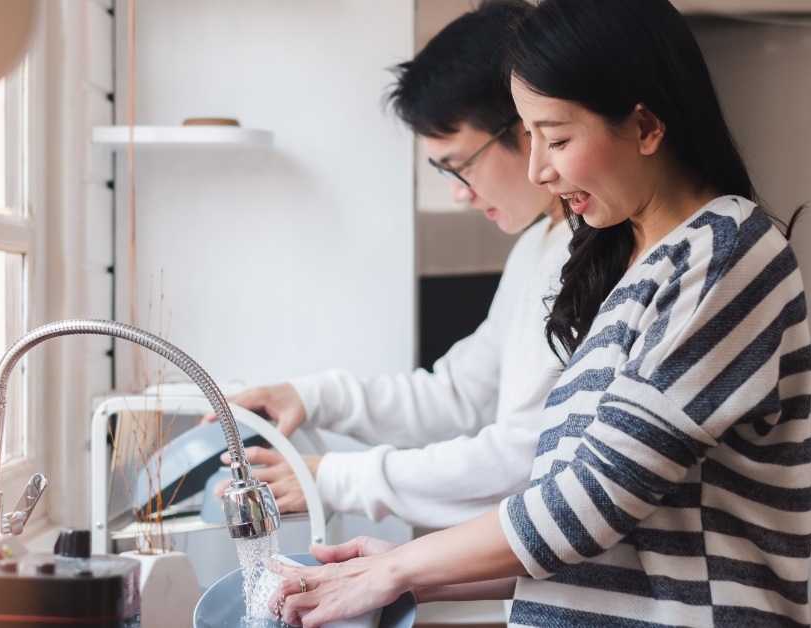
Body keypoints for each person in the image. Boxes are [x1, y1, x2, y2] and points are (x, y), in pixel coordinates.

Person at [269, 0, 811, 626]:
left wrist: (397, 567)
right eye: (529, 139)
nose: (538, 169)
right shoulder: (616, 263)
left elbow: (592, 502)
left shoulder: (723, 251)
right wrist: (409, 574)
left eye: (555, 139)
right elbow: (589, 531)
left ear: (645, 126)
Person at [208, 0, 571, 529]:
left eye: (460, 165)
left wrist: (334, 478)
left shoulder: (592, 258)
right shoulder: (538, 246)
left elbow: (522, 459)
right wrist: (312, 395)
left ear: (529, 123)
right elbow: (459, 396)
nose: (457, 193)